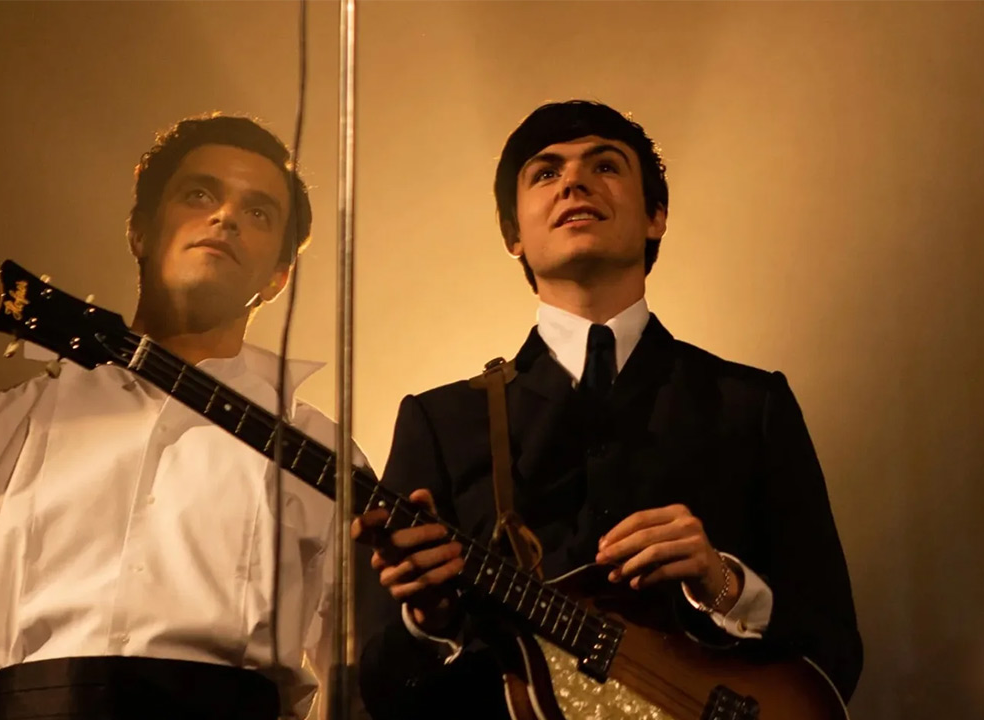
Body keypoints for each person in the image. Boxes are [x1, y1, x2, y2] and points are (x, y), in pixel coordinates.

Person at [354, 100, 862, 719]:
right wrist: (427, 622)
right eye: (545, 172)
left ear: (656, 216)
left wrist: (723, 584)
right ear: (513, 235)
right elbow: (377, 690)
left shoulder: (751, 404)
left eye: (605, 166)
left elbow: (835, 653)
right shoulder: (439, 422)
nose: (573, 182)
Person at [0, 114, 343, 720]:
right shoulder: (4, 425)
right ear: (139, 231)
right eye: (199, 195)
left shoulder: (320, 453)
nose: (226, 218)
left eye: (259, 212)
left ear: (278, 278)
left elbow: (361, 677)